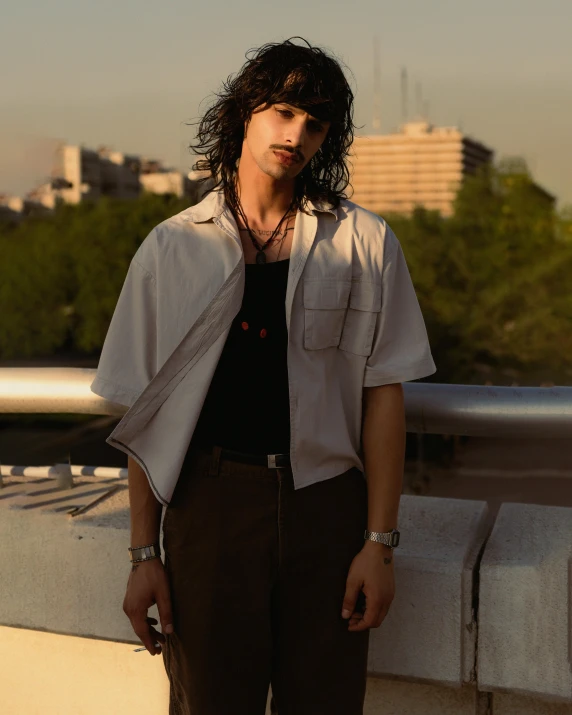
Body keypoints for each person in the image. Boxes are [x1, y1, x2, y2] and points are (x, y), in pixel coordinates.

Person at [90, 37, 436, 715]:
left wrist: (379, 544)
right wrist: (142, 554)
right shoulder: (172, 246)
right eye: (282, 112)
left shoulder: (364, 241)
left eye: (315, 123)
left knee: (327, 702)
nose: (296, 134)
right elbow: (143, 414)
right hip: (210, 508)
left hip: (327, 510)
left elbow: (384, 395)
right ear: (243, 114)